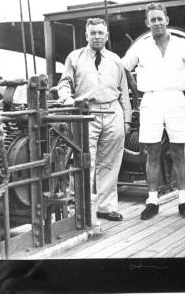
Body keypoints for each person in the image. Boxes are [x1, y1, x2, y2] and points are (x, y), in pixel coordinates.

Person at [121, 3, 185, 220]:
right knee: (152, 152)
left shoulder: (183, 44)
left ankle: (183, 200)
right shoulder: (140, 47)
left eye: (160, 18)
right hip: (151, 99)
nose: (156, 23)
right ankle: (152, 200)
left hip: (176, 99)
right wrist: (134, 90)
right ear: (147, 23)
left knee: (178, 152)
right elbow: (122, 67)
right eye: (152, 20)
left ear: (167, 19)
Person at [58, 17, 132, 222]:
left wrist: (126, 119)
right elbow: (64, 83)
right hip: (86, 113)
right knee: (83, 161)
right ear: (86, 35)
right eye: (93, 33)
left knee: (109, 163)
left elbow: (124, 92)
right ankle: (77, 208)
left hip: (112, 112)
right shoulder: (74, 57)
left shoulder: (116, 59)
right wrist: (67, 99)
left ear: (107, 36)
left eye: (101, 33)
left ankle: (105, 207)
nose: (97, 37)